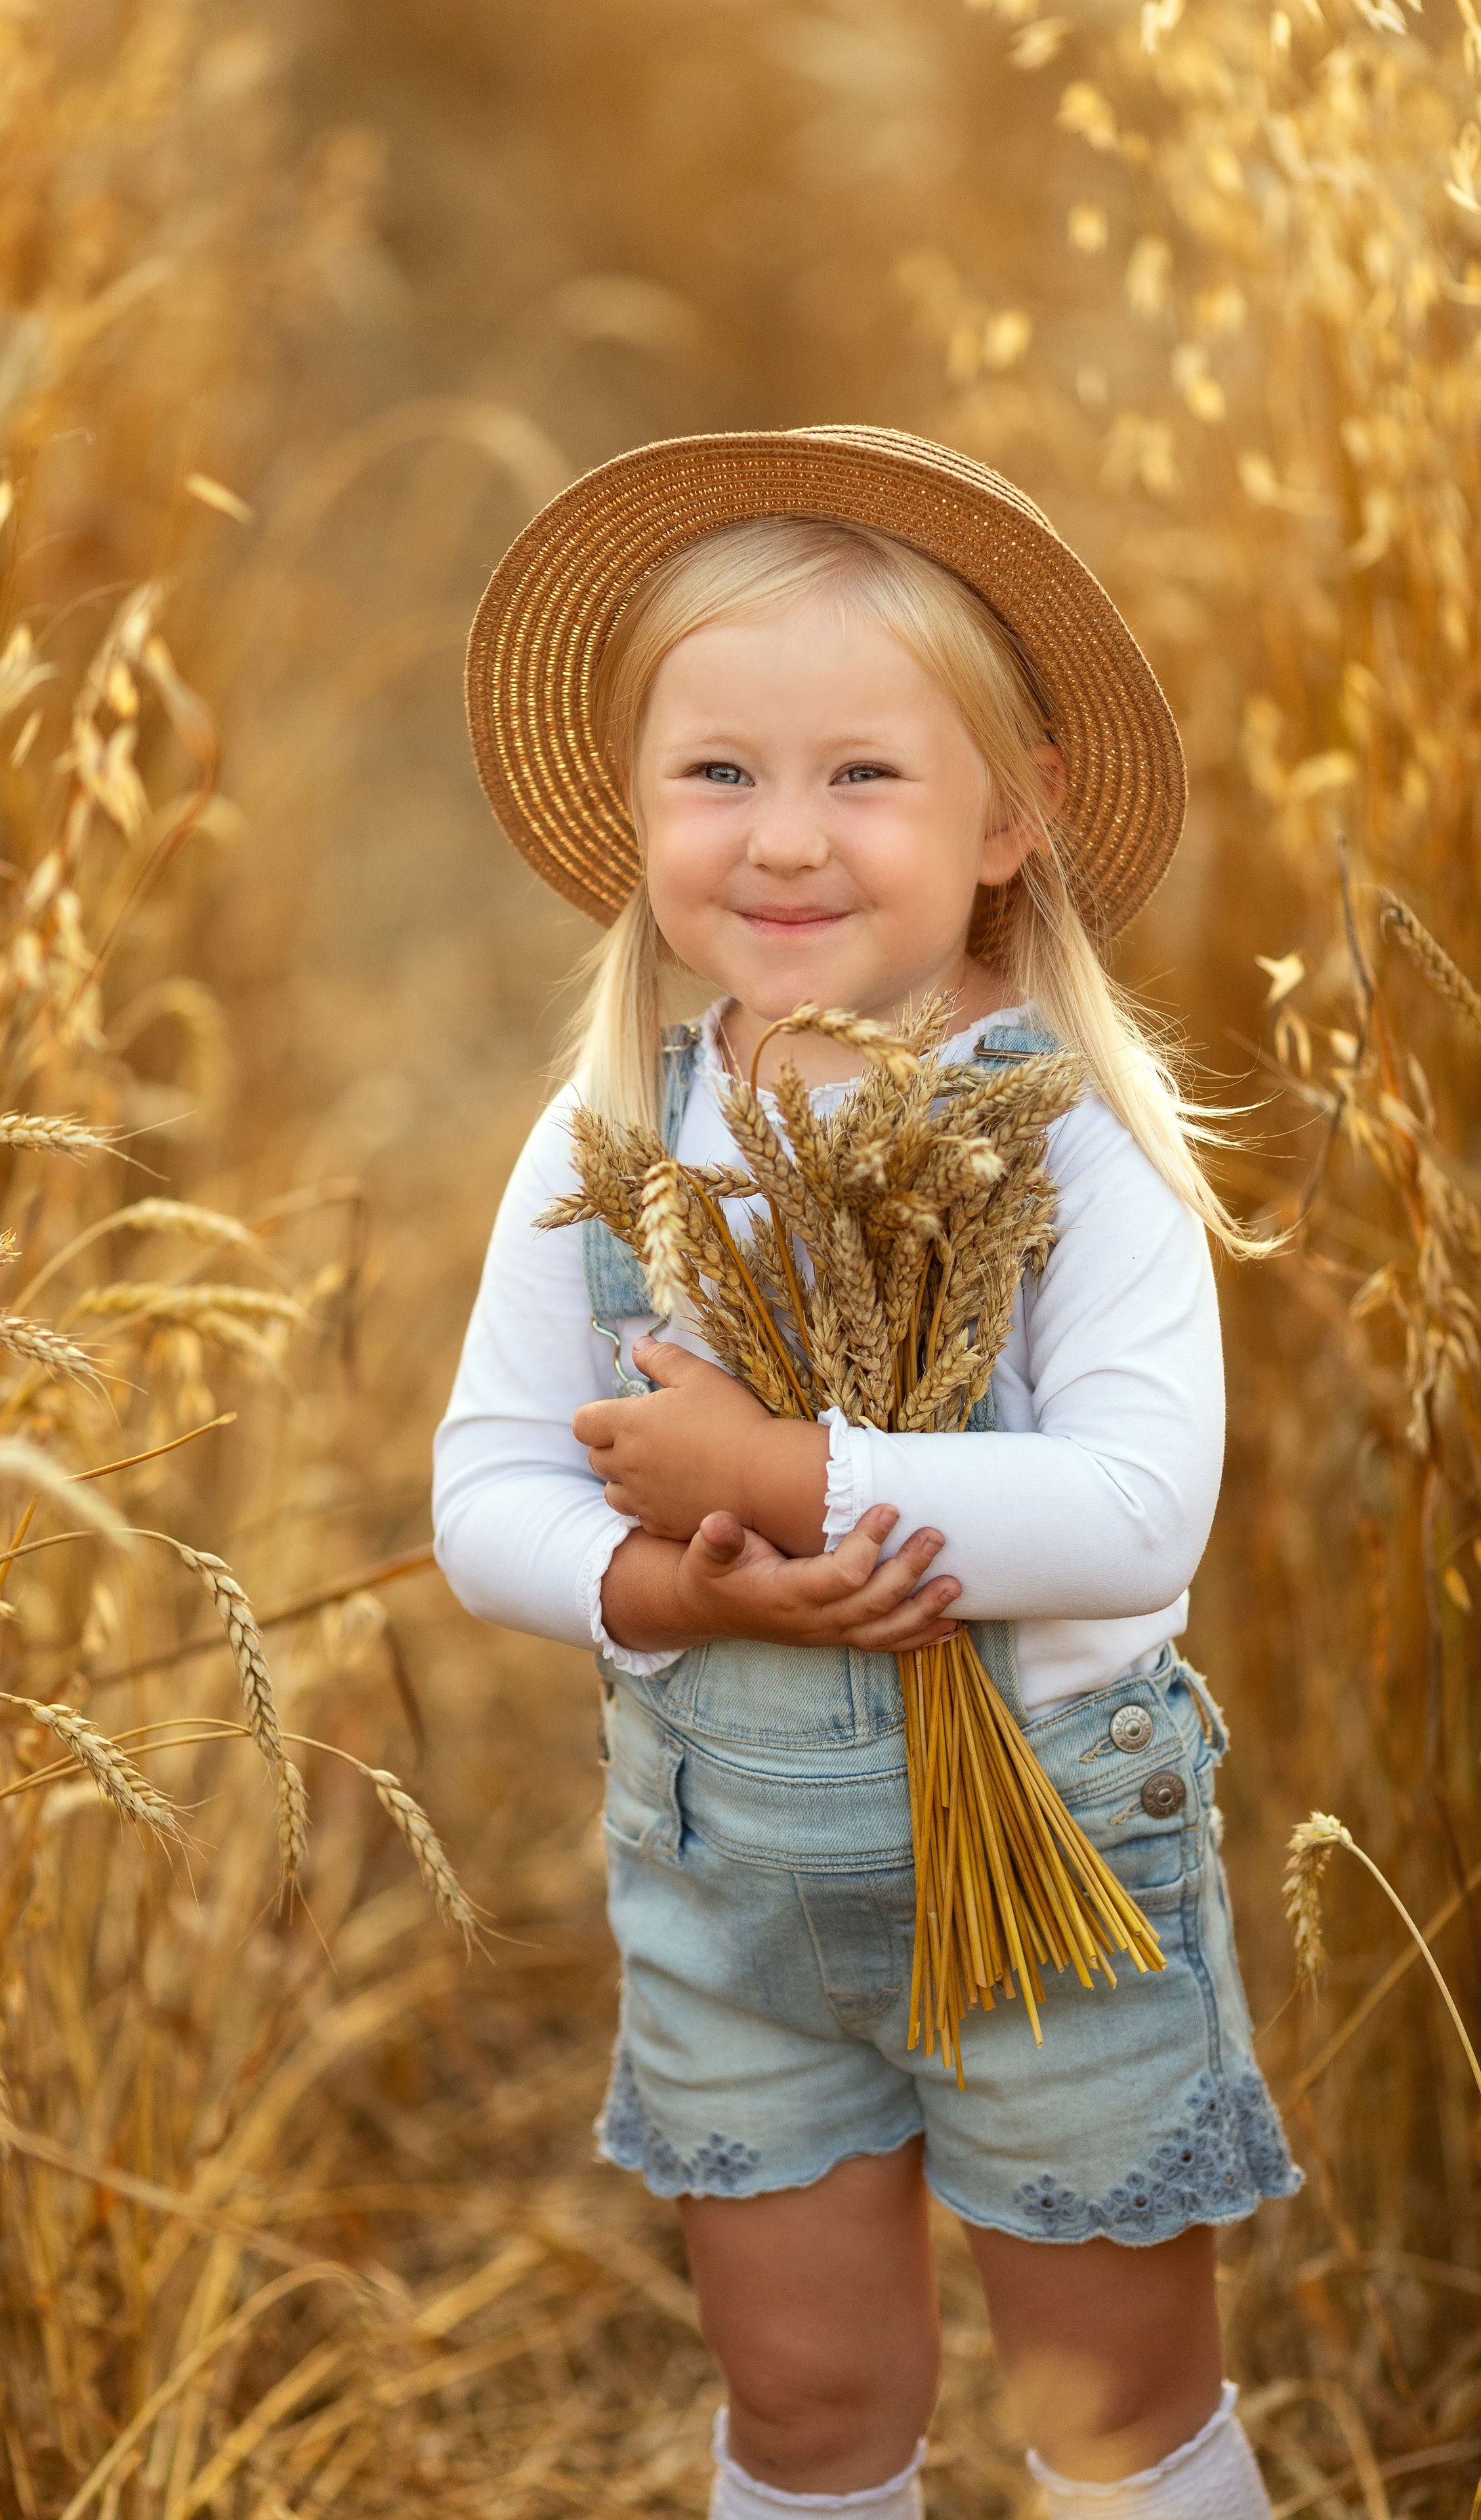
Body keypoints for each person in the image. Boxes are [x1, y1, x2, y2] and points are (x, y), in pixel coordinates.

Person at [434, 429, 1300, 2520]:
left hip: (1057, 1884)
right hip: (743, 1891)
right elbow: (485, 1496)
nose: (785, 839)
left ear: (1015, 816)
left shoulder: (1076, 1140)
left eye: (864, 776)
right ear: (639, 812)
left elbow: (1131, 1512)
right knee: (811, 2410)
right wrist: (681, 1590)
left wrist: (776, 1476)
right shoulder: (607, 1147)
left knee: (1110, 2414)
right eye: (720, 774)